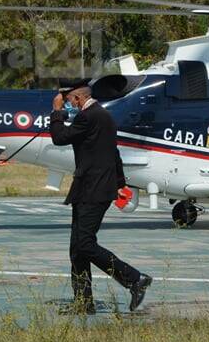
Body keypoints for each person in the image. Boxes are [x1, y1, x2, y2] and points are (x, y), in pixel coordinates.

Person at [51, 84, 152, 314]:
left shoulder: (87, 118)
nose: (68, 104)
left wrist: (56, 112)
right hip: (94, 188)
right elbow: (113, 151)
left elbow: (59, 138)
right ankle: (83, 303)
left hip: (92, 190)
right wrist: (119, 183)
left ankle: (134, 279)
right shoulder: (104, 116)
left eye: (69, 100)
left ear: (78, 98)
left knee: (85, 244)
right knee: (77, 248)